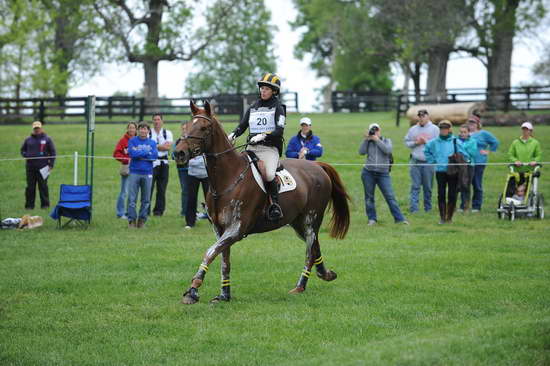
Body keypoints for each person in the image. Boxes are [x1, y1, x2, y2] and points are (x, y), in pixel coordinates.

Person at [228, 72, 286, 221]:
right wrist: (233, 134)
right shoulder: (253, 107)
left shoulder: (279, 107)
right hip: (252, 148)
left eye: (266, 89)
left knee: (269, 175)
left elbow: (279, 130)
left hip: (269, 149)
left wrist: (264, 135)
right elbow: (242, 125)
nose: (263, 91)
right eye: (262, 88)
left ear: (274, 91)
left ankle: (275, 205)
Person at [359, 123, 408, 226]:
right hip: (368, 172)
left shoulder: (387, 141)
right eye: (373, 129)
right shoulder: (368, 142)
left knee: (390, 196)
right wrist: (366, 139)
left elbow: (387, 150)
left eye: (376, 129)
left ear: (380, 130)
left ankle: (399, 219)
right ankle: (372, 219)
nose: (375, 131)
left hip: (383, 173)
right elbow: (361, 152)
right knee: (369, 197)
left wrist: (377, 140)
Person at [424, 120, 470, 224]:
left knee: (452, 194)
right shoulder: (434, 142)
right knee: (441, 194)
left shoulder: (455, 141)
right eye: (441, 128)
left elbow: (465, 154)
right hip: (440, 171)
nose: (443, 130)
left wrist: (459, 157)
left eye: (446, 128)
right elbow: (426, 150)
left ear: (449, 129)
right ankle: (442, 218)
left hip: (453, 171)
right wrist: (433, 160)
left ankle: (449, 218)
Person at [404, 109, 439, 213]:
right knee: (415, 186)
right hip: (415, 161)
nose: (421, 118)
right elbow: (407, 142)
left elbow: (437, 145)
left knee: (428, 187)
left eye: (423, 116)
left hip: (428, 162)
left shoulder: (434, 129)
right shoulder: (413, 129)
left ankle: (428, 208)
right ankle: (414, 209)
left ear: (428, 117)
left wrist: (426, 142)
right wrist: (416, 142)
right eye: (419, 116)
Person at [127, 122, 158, 228]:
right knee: (132, 199)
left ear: (148, 131)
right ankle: (131, 221)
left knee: (146, 200)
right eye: (141, 129)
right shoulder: (132, 141)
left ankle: (141, 221)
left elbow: (154, 156)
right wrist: (146, 151)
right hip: (134, 172)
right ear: (138, 130)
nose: (143, 131)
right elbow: (132, 154)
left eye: (145, 129)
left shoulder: (153, 142)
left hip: (147, 173)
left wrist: (139, 151)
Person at [20, 121, 56, 209]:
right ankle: (29, 206)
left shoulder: (47, 139)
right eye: (35, 128)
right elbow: (22, 150)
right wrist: (26, 155)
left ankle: (45, 205)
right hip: (30, 168)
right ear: (33, 129)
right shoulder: (28, 140)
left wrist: (51, 164)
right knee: (30, 187)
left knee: (43, 186)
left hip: (43, 167)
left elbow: (53, 152)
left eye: (38, 128)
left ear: (41, 128)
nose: (37, 130)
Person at [467, 114, 499, 212]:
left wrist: (488, 151)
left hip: (479, 162)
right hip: (466, 163)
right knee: (465, 185)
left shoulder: (483, 133)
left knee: (477, 184)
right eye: (469, 122)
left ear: (477, 124)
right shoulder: (464, 133)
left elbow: (495, 142)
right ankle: (464, 205)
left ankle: (476, 206)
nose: (471, 124)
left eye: (473, 122)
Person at [149, 114, 173, 216]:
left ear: (162, 121)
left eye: (158, 120)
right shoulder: (148, 132)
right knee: (149, 188)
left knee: (162, 188)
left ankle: (158, 211)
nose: (156, 122)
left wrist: (154, 145)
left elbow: (167, 147)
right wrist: (158, 146)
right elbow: (148, 146)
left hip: (164, 163)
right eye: (154, 120)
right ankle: (145, 210)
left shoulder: (167, 133)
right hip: (151, 162)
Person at [113, 122, 137, 219]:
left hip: (137, 169)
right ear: (127, 129)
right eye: (130, 128)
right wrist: (125, 159)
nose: (131, 130)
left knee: (133, 193)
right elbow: (116, 154)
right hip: (126, 169)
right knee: (124, 192)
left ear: (136, 129)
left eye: (133, 128)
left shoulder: (138, 140)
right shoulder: (123, 141)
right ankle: (120, 212)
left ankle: (129, 212)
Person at [457, 124, 479, 212]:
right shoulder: (456, 140)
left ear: (468, 132)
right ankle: (455, 205)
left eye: (464, 132)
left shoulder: (473, 141)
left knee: (466, 186)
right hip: (458, 165)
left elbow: (473, 153)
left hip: (469, 166)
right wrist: (464, 151)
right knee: (457, 186)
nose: (462, 134)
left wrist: (462, 150)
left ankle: (465, 206)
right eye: (461, 132)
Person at [185, 155, 209, 229]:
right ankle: (190, 222)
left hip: (207, 174)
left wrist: (195, 161)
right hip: (192, 174)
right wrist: (200, 162)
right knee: (191, 198)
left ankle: (214, 221)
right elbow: (187, 161)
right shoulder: (191, 146)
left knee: (209, 199)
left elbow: (208, 160)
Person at [173, 122, 190, 217]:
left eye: (186, 128)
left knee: (192, 190)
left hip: (192, 169)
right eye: (183, 129)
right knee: (185, 190)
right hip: (182, 170)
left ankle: (192, 210)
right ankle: (184, 211)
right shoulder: (178, 141)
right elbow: (173, 154)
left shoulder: (192, 140)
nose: (184, 130)